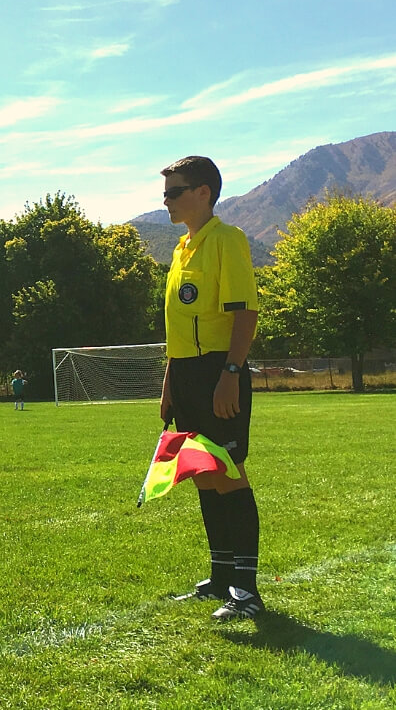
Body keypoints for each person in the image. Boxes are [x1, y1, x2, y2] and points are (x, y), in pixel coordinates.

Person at [158, 156, 263, 621]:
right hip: (186, 376)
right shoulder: (182, 249)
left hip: (219, 371)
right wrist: (169, 385)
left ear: (204, 192)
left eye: (174, 191)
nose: (166, 200)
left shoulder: (227, 240)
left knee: (227, 472)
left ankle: (247, 590)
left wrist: (231, 374)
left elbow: (245, 314)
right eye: (165, 193)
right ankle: (220, 578)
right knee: (202, 472)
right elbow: (177, 330)